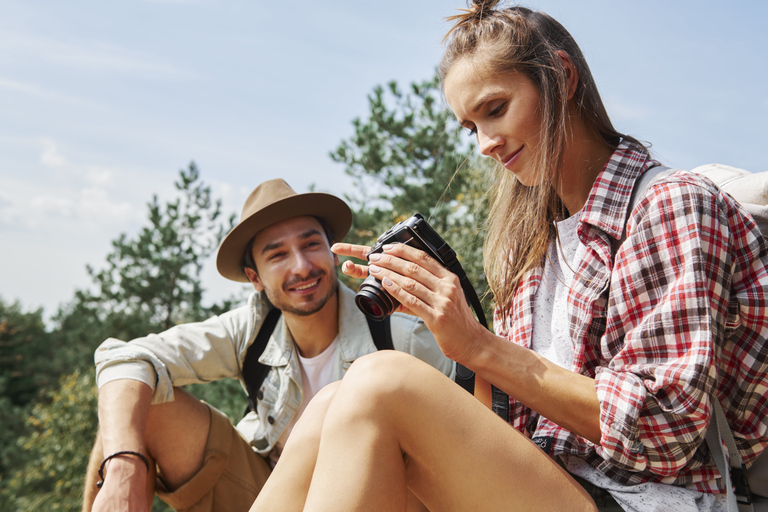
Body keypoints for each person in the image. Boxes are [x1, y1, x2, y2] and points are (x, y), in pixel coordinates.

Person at [248, 3, 768, 512]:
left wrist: (481, 346)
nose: (484, 145)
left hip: (653, 498)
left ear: (561, 77)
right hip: (551, 488)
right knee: (329, 406)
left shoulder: (670, 205)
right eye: (470, 127)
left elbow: (663, 433)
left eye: (495, 110)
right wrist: (456, 334)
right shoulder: (530, 250)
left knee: (380, 381)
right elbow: (506, 433)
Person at [81, 178, 454, 512]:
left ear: (332, 253)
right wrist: (122, 468)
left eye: (311, 245)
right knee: (131, 407)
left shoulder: (399, 335)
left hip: (375, 498)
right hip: (272, 494)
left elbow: (466, 445)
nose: (301, 266)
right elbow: (125, 357)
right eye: (277, 255)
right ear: (254, 278)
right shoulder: (251, 328)